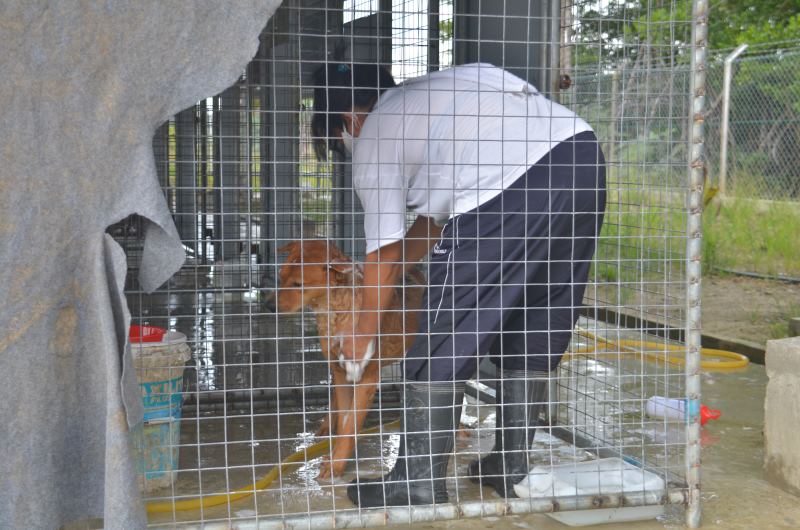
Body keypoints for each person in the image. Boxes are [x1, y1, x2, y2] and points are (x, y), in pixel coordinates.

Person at [311, 62, 606, 507]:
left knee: (442, 334)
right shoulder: (447, 92)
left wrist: (362, 328)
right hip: (582, 161)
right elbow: (427, 228)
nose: (347, 149)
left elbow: (385, 252)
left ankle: (416, 484)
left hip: (507, 185)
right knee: (535, 321)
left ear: (350, 120)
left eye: (339, 142)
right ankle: (510, 466)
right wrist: (375, 277)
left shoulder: (375, 132)